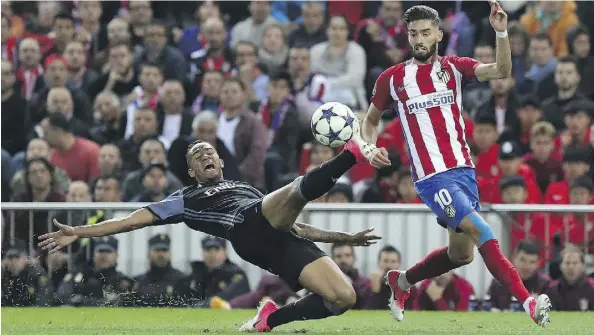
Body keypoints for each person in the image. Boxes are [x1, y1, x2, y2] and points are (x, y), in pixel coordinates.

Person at [39, 138, 381, 331]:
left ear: (219, 162)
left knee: (344, 299)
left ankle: (270, 319)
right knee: (293, 192)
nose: (206, 156)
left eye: (210, 153)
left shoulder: (243, 185)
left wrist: (344, 238)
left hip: (282, 238)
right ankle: (351, 154)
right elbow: (131, 220)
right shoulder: (184, 199)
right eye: (197, 155)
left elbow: (293, 225)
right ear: (191, 171)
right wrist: (79, 232)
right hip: (247, 230)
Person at [358, 3, 551, 327]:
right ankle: (528, 302)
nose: (418, 39)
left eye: (424, 32)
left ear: (438, 34)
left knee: (461, 254)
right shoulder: (392, 79)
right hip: (432, 177)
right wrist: (367, 145)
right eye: (413, 33)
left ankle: (402, 281)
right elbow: (370, 120)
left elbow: (501, 70)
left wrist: (500, 31)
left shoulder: (453, 69)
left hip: (463, 171)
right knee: (483, 230)